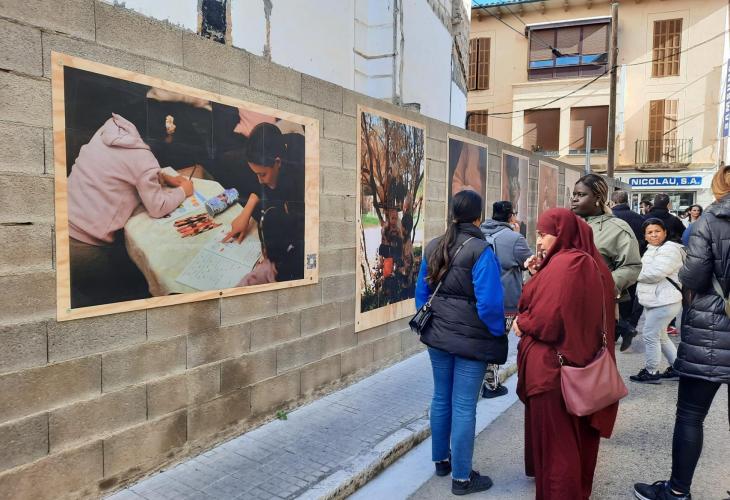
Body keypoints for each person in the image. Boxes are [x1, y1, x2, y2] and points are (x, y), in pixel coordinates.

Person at [634, 167, 730, 500]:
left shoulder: (711, 221)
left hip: (712, 328)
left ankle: (677, 491)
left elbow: (694, 276)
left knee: (691, 414)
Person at [515, 208, 619, 500]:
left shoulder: (568, 264)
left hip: (554, 370)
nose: (539, 241)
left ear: (562, 234)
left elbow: (549, 320)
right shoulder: (587, 262)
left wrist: (522, 322)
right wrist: (540, 273)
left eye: (544, 234)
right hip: (578, 367)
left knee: (558, 449)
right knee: (573, 441)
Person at [415, 190, 506, 496]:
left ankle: (441, 461)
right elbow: (489, 304)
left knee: (441, 397)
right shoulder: (481, 250)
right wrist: (497, 332)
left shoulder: (434, 245)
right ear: (479, 217)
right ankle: (463, 478)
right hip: (471, 339)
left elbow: (421, 295)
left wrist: (436, 322)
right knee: (465, 404)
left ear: (452, 213)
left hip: (437, 336)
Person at [67, 113, 193, 308]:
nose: (172, 128)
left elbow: (121, 167)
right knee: (135, 285)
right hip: (85, 247)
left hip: (63, 223)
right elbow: (157, 207)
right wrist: (184, 190)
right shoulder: (142, 158)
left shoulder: (111, 127)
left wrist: (158, 175)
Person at [224, 122, 305, 282]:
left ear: (278, 162)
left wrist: (274, 259)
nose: (260, 180)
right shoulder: (266, 155)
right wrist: (245, 214)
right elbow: (261, 185)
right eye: (256, 174)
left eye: (262, 174)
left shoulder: (299, 177)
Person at [571, 174, 641, 351]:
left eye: (581, 195)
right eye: (574, 194)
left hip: (597, 308)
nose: (574, 199)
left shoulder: (617, 228)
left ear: (597, 198)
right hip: (566, 303)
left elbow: (631, 266)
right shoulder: (568, 224)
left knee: (592, 358)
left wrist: (605, 284)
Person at [480, 200, 533, 397]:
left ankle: (483, 381)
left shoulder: (480, 233)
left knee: (485, 339)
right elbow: (529, 263)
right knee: (497, 340)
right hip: (505, 302)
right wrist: (517, 234)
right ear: (511, 216)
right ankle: (491, 385)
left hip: (481, 297)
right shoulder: (515, 238)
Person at [629, 219, 685, 384]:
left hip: (665, 301)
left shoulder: (670, 249)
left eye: (657, 231)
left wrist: (630, 274)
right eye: (650, 232)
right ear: (645, 236)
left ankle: (651, 371)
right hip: (656, 300)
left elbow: (655, 273)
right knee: (661, 336)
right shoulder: (652, 249)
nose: (654, 235)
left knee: (650, 335)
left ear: (665, 232)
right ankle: (677, 368)